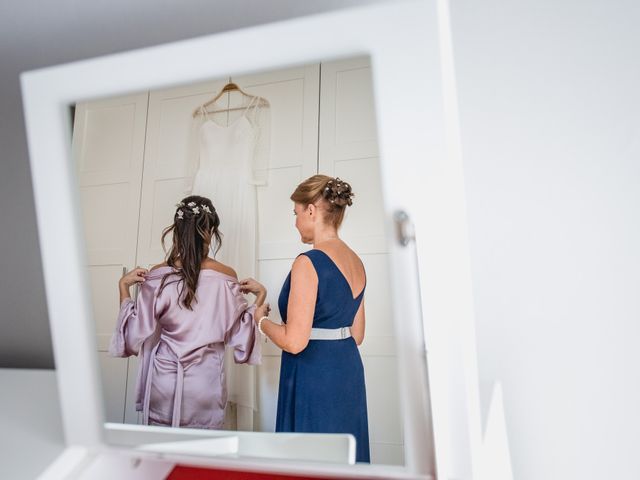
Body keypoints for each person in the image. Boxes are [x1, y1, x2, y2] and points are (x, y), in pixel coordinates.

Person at [109, 195, 269, 429]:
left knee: (163, 453)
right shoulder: (226, 277)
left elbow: (134, 332)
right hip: (206, 384)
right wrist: (261, 295)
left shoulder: (157, 275)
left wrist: (123, 287)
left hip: (163, 382)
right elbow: (241, 335)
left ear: (176, 230)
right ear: (211, 232)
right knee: (201, 453)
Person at [255, 175, 370, 463]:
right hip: (347, 374)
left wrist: (260, 322)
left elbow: (294, 342)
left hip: (313, 375)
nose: (295, 222)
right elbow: (357, 335)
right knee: (342, 460)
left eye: (296, 213)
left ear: (311, 210)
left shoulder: (308, 262)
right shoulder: (356, 261)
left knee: (311, 460)